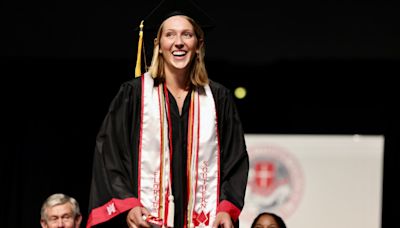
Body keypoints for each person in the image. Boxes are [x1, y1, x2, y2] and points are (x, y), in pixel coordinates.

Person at [86, 9, 249, 228]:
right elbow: (110, 153)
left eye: (187, 35)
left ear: (199, 45)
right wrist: (129, 204)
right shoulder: (133, 95)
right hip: (144, 221)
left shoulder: (218, 98)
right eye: (170, 35)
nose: (178, 42)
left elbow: (235, 159)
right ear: (158, 45)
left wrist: (225, 208)